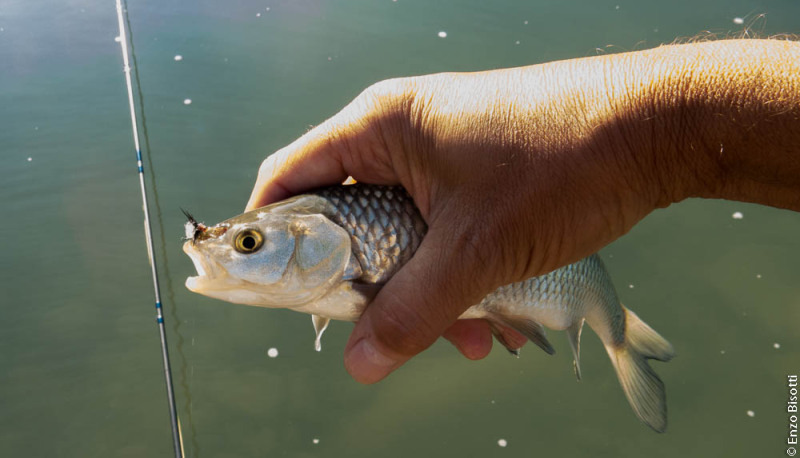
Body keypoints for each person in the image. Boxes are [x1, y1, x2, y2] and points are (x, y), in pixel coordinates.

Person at [245, 39, 800, 384]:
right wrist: (652, 143)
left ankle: (619, 336)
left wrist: (643, 145)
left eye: (252, 243)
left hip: (571, 281)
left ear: (310, 235)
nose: (247, 250)